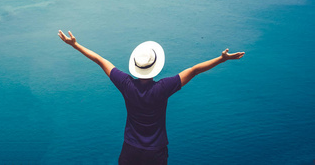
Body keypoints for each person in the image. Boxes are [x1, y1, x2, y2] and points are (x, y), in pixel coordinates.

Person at [58, 30, 245, 165]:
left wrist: (74, 45)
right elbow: (194, 70)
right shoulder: (163, 87)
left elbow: (100, 60)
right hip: (155, 152)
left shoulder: (125, 84)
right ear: (155, 65)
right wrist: (222, 59)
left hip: (130, 149)